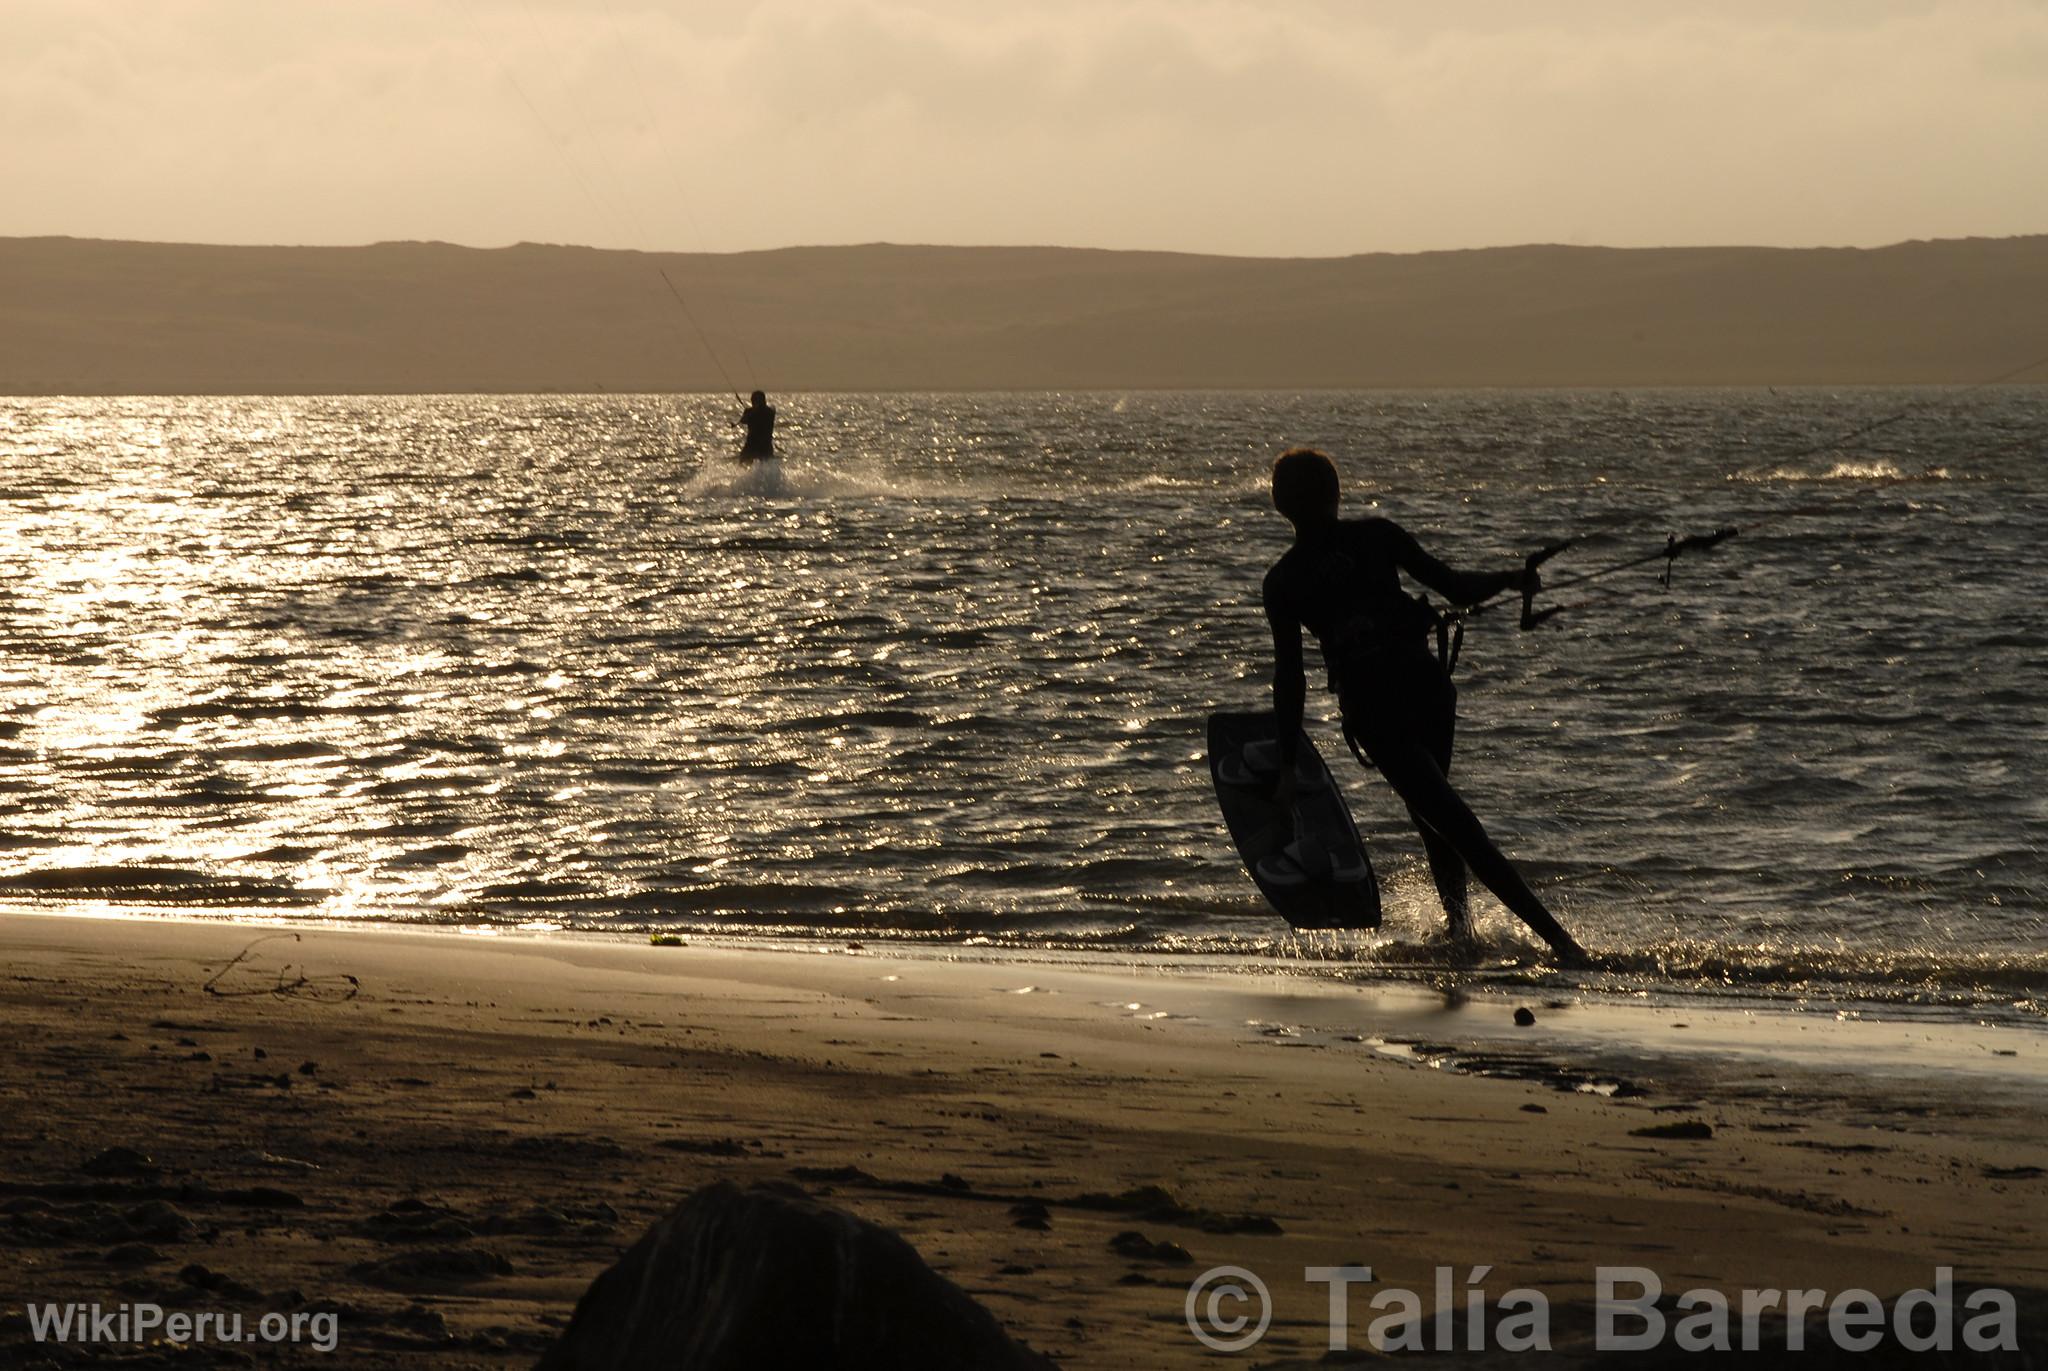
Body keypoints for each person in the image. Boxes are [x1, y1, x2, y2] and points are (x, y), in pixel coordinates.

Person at [1260, 447, 1589, 965]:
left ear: (1280, 504)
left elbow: (1290, 677)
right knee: (1434, 815)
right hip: (1426, 688)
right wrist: (1508, 578)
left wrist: (1285, 762)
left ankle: (1562, 945)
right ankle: (1461, 933)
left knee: (1449, 821)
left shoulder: (1284, 580)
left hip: (1375, 708)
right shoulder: (1377, 535)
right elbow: (1454, 587)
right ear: (1336, 493)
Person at [737, 390, 776, 460]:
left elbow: (772, 409)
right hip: (751, 444)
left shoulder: (768, 412)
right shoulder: (750, 411)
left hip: (764, 445)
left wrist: (752, 411)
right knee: (743, 461)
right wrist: (750, 412)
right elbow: (743, 421)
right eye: (753, 400)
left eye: (755, 400)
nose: (753, 402)